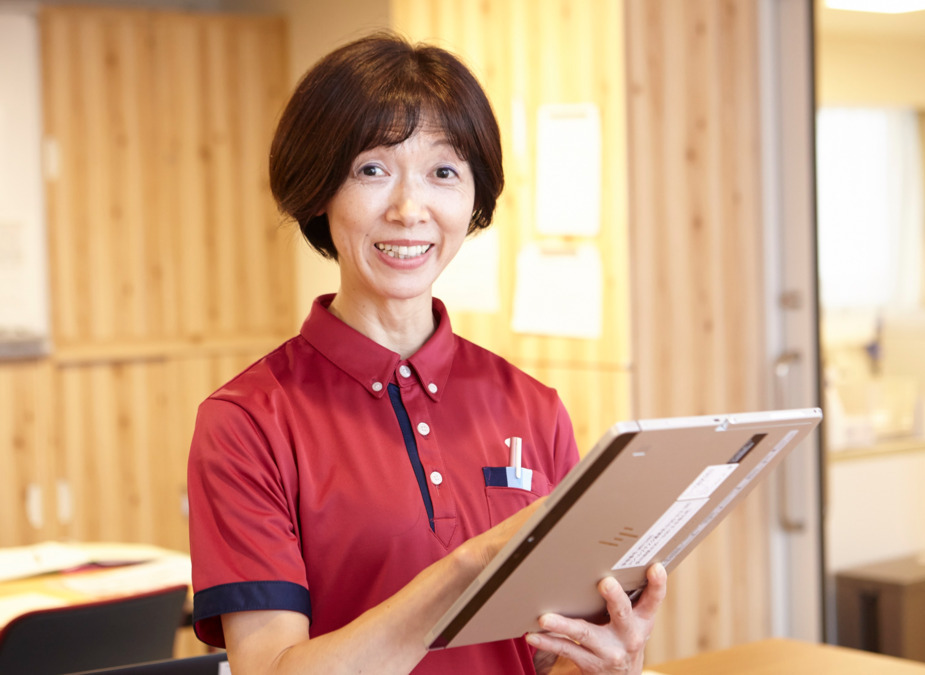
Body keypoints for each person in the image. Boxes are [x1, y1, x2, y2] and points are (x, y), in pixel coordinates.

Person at [186, 31, 666, 675]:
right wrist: (465, 568)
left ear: (473, 199)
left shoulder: (534, 407)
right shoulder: (247, 421)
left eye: (443, 172)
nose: (410, 210)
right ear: (319, 191)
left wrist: (614, 664)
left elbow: (551, 659)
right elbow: (269, 669)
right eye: (372, 170)